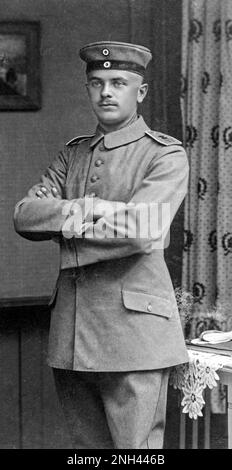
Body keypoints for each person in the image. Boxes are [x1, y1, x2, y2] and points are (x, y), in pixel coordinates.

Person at [14, 41, 189, 449]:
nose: (106, 91)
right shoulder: (73, 155)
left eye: (118, 82)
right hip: (72, 335)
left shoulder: (164, 155)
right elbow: (24, 213)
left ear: (140, 92)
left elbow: (143, 227)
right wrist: (85, 208)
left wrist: (63, 221)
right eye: (96, 83)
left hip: (135, 336)